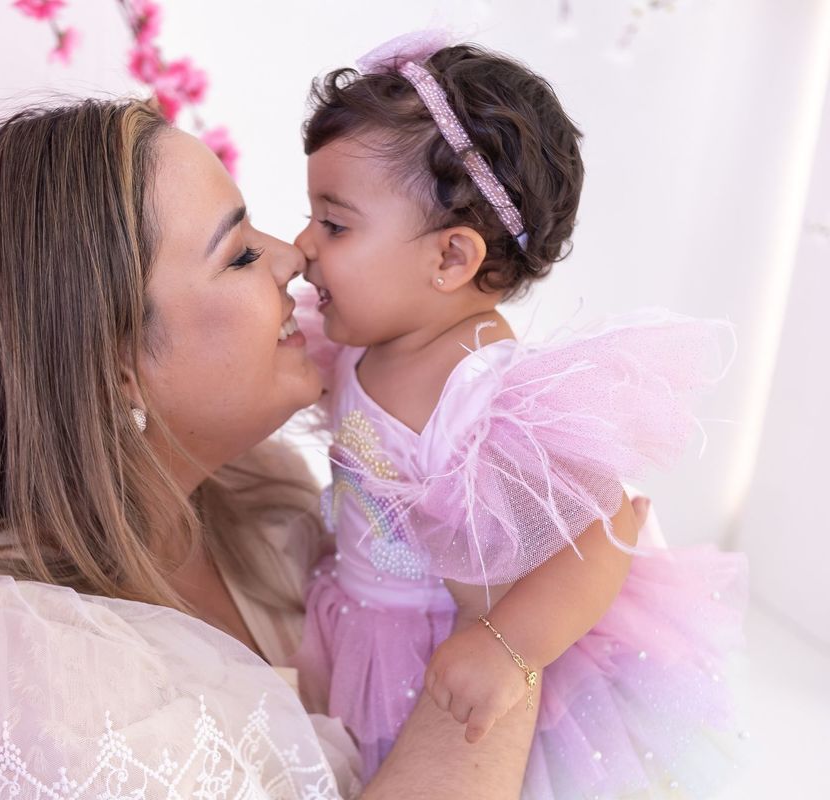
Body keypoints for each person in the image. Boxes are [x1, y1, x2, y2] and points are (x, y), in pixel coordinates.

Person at [0, 98, 549, 799]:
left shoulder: (259, 505)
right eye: (238, 253)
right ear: (114, 367)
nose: (293, 258)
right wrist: (511, 625)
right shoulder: (3, 676)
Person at [290, 32, 749, 799]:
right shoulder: (360, 339)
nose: (304, 245)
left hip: (441, 658)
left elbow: (604, 537)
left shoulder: (483, 392)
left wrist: (507, 649)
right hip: (361, 625)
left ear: (450, 260)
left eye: (334, 225)